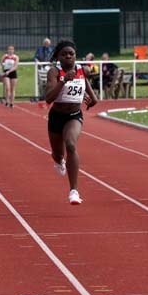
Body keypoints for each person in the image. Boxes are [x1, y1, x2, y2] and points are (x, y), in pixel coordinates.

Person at [44, 39, 98, 205]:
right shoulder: (54, 72)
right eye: (64, 54)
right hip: (56, 116)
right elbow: (48, 98)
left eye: (71, 54)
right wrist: (63, 81)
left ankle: (74, 191)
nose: (68, 56)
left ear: (75, 56)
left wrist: (92, 100)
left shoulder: (81, 70)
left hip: (74, 115)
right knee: (57, 154)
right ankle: (60, 161)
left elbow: (92, 95)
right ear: (58, 57)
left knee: (71, 145)